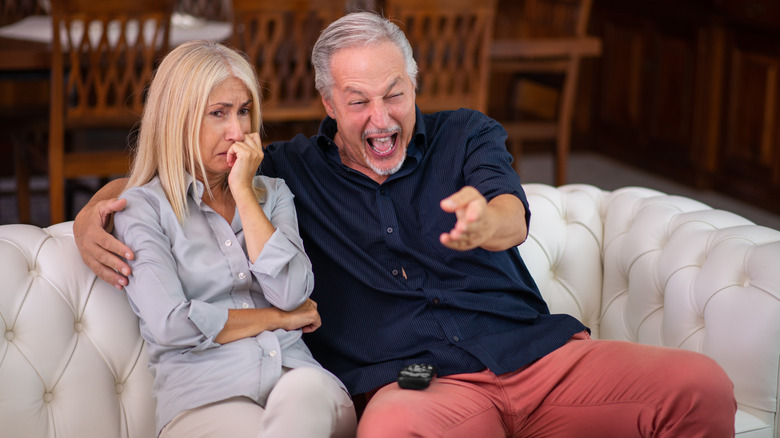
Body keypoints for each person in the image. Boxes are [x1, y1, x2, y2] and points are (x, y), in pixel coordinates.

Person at [76, 12, 736, 438]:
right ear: (328, 104)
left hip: (536, 358)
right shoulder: (284, 175)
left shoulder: (466, 135)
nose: (381, 117)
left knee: (699, 385)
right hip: (419, 389)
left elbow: (509, 213)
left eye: (395, 94)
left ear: (415, 87)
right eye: (358, 101)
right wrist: (96, 213)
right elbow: (184, 166)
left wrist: (485, 225)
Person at [109, 40, 356, 438]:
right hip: (206, 396)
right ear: (177, 120)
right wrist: (276, 320)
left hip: (298, 381)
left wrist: (244, 192)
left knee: (305, 398)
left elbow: (291, 292)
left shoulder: (271, 194)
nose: (237, 130)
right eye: (218, 114)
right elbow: (171, 324)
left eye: (243, 111)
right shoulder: (143, 209)